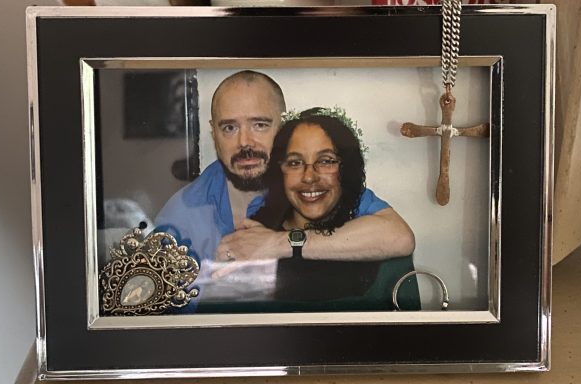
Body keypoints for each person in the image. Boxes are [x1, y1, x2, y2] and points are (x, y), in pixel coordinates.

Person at [153, 70, 414, 310]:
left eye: (260, 125)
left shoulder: (312, 189)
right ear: (214, 133)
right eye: (230, 127)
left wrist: (281, 243)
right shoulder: (181, 216)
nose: (245, 142)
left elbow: (398, 236)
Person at [251, 107, 415, 303]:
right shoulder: (254, 222)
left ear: (346, 169)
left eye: (326, 161)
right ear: (279, 171)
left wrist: (287, 243)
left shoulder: (368, 220)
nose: (309, 177)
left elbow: (401, 237)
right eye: (295, 163)